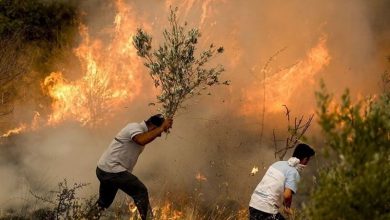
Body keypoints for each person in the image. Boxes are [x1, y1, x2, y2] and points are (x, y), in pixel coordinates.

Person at [88, 114, 173, 220]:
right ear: (152, 126)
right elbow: (141, 140)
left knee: (103, 202)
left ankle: (86, 218)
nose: (159, 135)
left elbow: (146, 138)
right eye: (158, 131)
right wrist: (161, 128)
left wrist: (161, 128)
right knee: (140, 191)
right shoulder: (134, 127)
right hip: (112, 170)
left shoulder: (142, 131)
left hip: (104, 169)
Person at [248, 143, 315, 220]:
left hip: (253, 204)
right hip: (266, 209)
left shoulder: (278, 164)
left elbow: (277, 189)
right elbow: (287, 195)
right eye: (308, 160)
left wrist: (286, 204)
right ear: (305, 159)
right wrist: (287, 208)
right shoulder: (294, 172)